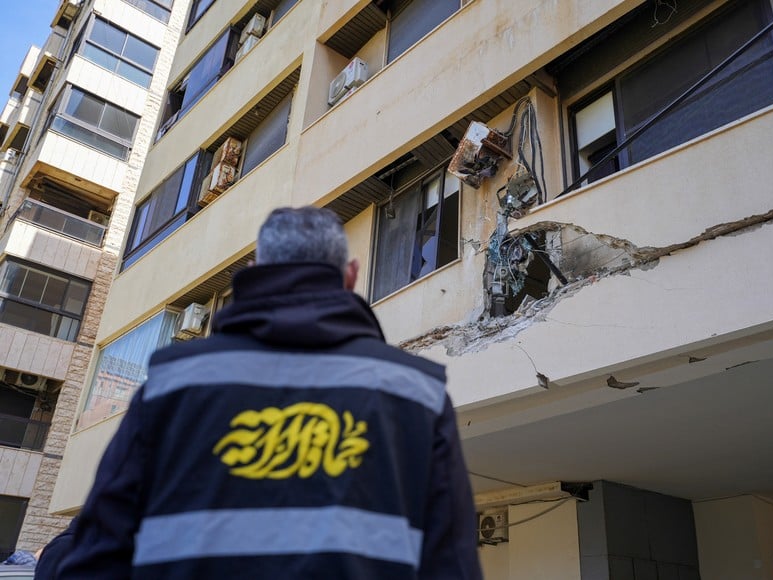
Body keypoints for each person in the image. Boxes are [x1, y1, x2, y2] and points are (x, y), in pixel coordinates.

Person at [57, 207, 482, 579]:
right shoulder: (417, 396)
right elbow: (452, 567)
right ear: (350, 276)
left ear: (257, 269)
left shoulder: (171, 388)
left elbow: (96, 559)